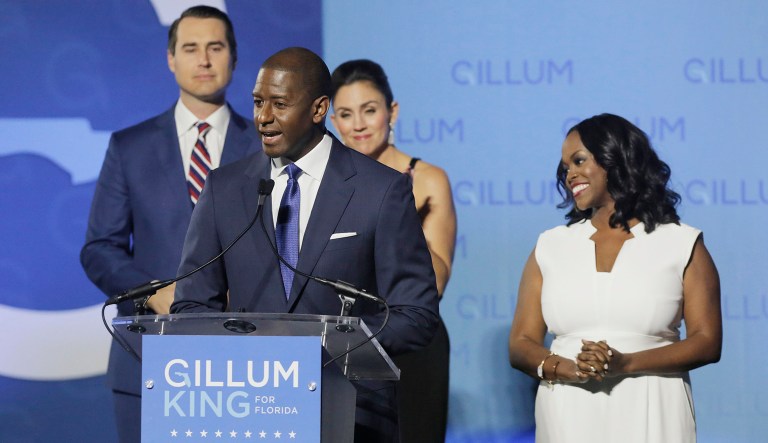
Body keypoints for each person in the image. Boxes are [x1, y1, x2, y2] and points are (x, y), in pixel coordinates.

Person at [171, 47, 440, 442]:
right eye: (258, 103)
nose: (263, 118)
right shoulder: (225, 189)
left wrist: (326, 350)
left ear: (318, 110)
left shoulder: (381, 190)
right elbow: (190, 306)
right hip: (248, 414)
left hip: (350, 414)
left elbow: (416, 315)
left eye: (279, 104)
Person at [80, 6, 258, 442]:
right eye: (190, 48)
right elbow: (100, 248)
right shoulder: (130, 146)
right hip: (148, 359)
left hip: (249, 363)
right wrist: (153, 292)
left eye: (215, 47)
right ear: (170, 59)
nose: (203, 60)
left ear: (233, 58)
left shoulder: (265, 145)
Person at [508, 113, 722, 442]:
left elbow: (707, 342)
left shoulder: (682, 243)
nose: (570, 175)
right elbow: (521, 345)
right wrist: (566, 368)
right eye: (565, 167)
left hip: (654, 406)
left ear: (615, 160)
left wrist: (626, 364)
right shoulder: (550, 246)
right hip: (567, 410)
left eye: (579, 161)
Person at [330, 59, 456, 443]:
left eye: (369, 110)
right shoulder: (325, 183)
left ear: (392, 111)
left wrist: (404, 219)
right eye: (346, 114)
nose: (359, 125)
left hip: (412, 342)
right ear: (333, 121)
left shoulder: (427, 178)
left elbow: (433, 285)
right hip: (345, 341)